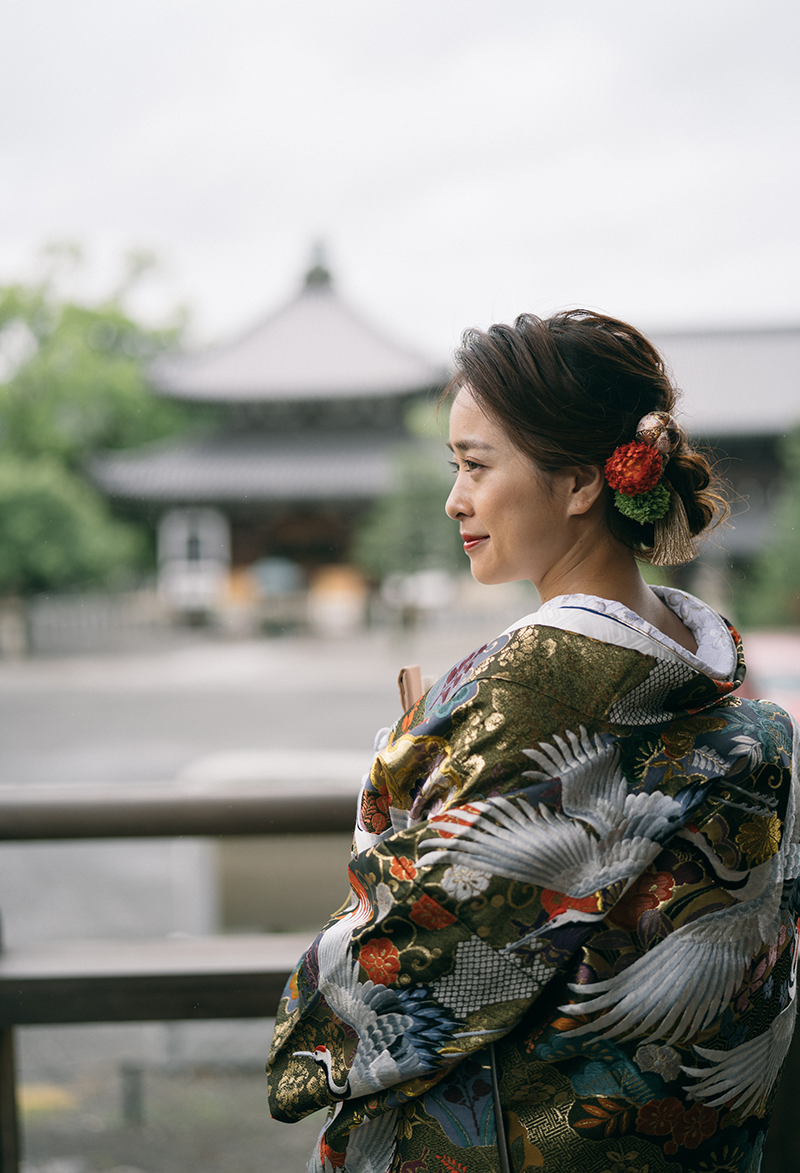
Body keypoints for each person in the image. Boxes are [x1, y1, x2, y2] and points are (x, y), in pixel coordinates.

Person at [267, 310, 799, 1173]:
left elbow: (414, 968)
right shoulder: (723, 690)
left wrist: (308, 1041)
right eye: (455, 468)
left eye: (476, 466)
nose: (456, 499)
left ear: (582, 483)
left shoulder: (529, 694)